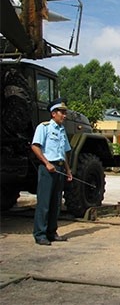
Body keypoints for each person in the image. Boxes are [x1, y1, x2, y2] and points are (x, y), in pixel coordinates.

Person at [31, 98, 72, 245]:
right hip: (47, 168)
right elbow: (35, 146)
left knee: (56, 203)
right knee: (44, 202)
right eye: (62, 112)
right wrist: (47, 163)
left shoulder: (62, 130)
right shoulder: (44, 127)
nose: (65, 115)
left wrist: (68, 170)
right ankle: (40, 234)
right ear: (54, 113)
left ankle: (52, 232)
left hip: (59, 168)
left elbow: (64, 152)